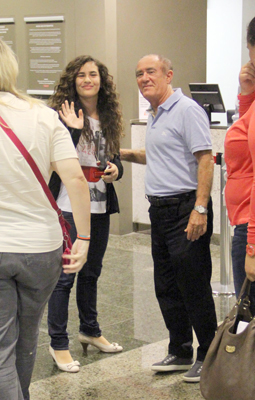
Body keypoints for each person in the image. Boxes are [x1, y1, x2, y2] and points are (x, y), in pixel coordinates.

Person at [0, 40, 91, 400]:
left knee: (2, 348)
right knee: (25, 340)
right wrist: (83, 237)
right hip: (42, 248)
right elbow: (76, 179)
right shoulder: (42, 115)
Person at [120, 54, 217, 383]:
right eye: (139, 73)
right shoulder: (155, 113)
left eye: (150, 71)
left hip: (186, 210)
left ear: (168, 74)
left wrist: (200, 208)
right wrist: (122, 154)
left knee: (194, 286)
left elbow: (205, 158)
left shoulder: (187, 109)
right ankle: (180, 349)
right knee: (166, 286)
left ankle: (208, 354)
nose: (144, 77)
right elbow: (160, 156)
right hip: (159, 212)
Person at [47, 55, 124, 373]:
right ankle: (58, 343)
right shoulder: (61, 116)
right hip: (68, 207)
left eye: (93, 74)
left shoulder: (107, 116)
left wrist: (115, 170)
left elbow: (115, 158)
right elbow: (56, 158)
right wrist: (75, 131)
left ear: (101, 80)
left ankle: (90, 331)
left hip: (100, 206)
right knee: (64, 278)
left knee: (92, 273)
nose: (88, 80)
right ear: (73, 80)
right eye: (81, 75)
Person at [224, 17, 255, 302]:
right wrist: (246, 93)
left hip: (250, 226)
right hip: (244, 220)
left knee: (248, 320)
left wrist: (252, 247)